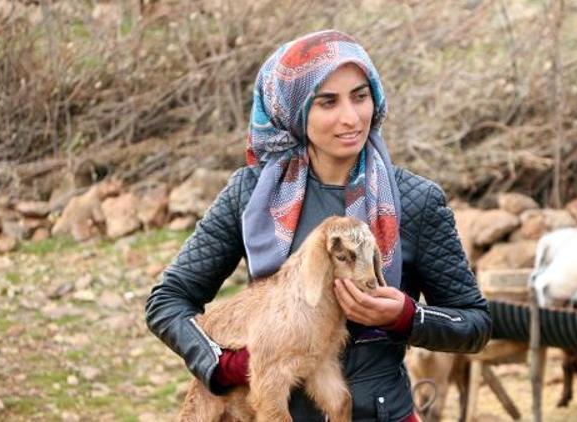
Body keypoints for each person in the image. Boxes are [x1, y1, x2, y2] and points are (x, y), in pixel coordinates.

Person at [145, 29, 491, 421]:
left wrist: (406, 316)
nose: (351, 117)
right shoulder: (253, 193)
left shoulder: (415, 200)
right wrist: (227, 365)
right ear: (293, 110)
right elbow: (167, 301)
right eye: (327, 102)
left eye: (360, 97)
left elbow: (474, 324)